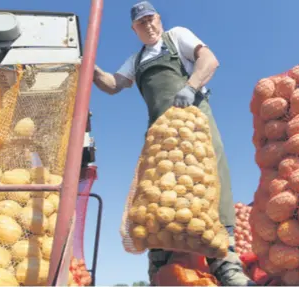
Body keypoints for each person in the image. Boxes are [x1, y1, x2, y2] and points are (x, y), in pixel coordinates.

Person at [92, 2, 255, 286]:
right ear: (135, 29)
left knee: (210, 183)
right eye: (142, 23)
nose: (149, 26)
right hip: (160, 136)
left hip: (194, 125)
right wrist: (90, 68)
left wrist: (190, 87)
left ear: (159, 19)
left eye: (152, 19)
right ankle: (161, 268)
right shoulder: (137, 59)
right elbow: (113, 84)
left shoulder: (177, 36)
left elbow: (209, 60)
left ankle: (226, 265)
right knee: (156, 193)